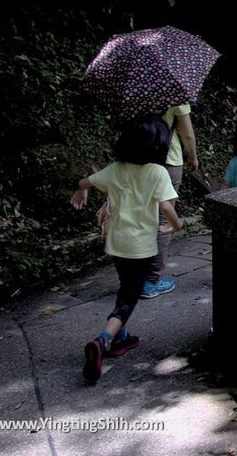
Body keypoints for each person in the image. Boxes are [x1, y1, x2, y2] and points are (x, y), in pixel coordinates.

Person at [70, 117, 181, 385]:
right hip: (141, 246)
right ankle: (103, 339)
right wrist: (177, 226)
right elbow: (166, 208)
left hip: (117, 244)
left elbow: (85, 181)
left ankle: (121, 338)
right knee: (130, 296)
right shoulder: (158, 172)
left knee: (126, 286)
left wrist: (80, 191)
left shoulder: (116, 169)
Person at [141, 103, 198, 299]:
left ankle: (136, 277)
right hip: (168, 159)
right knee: (163, 220)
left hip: (138, 158)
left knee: (141, 215)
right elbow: (187, 133)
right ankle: (151, 280)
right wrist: (193, 157)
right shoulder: (175, 95)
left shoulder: (135, 88)